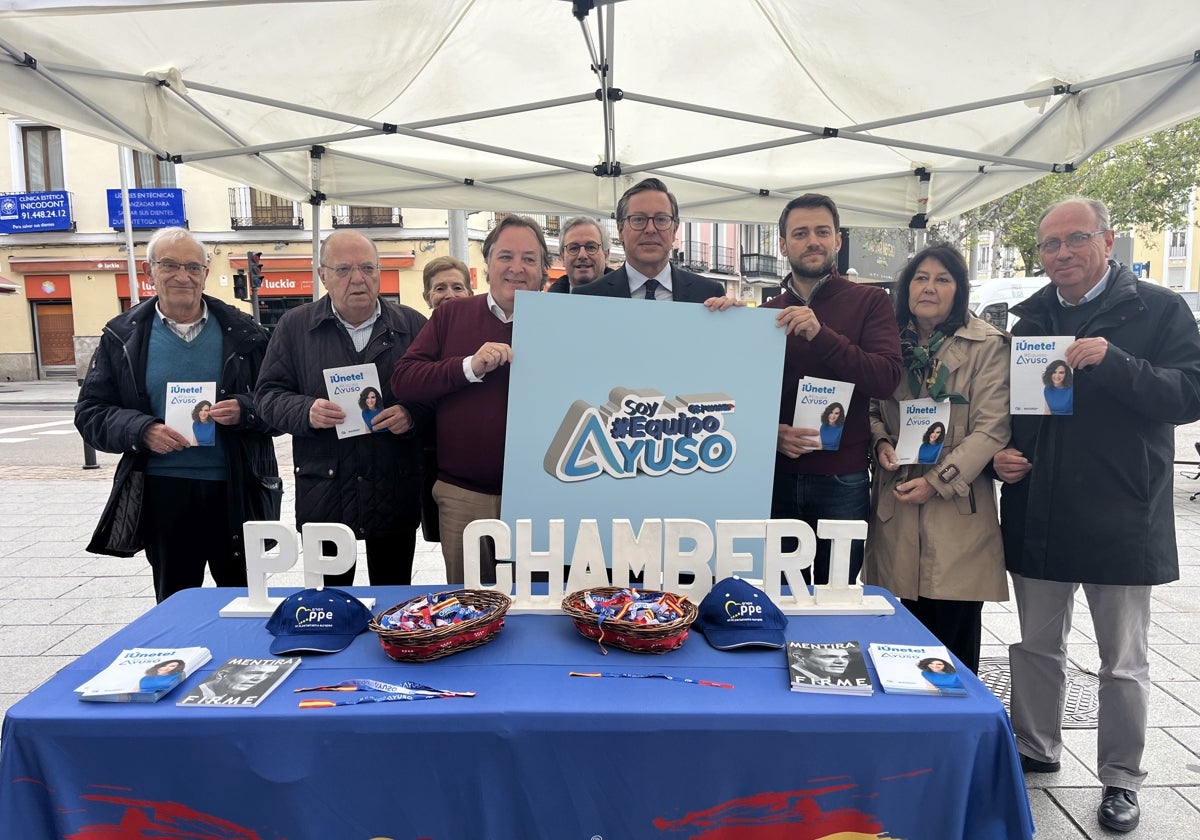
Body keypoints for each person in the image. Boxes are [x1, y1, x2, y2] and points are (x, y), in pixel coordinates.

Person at [994, 197, 1200, 833]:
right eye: (1050, 245)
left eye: (1075, 240)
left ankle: (1121, 778)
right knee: (1034, 648)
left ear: (1108, 241)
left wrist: (1117, 363)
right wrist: (1004, 454)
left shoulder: (1160, 309)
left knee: (1122, 660)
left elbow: (1189, 394)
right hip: (1041, 508)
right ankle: (1035, 746)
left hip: (1121, 511)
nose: (1061, 254)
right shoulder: (1028, 320)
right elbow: (1012, 408)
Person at [76, 227, 280, 603]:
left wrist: (246, 411)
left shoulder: (245, 332)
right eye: (169, 265)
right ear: (148, 270)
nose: (182, 276)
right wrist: (143, 429)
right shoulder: (122, 337)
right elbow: (90, 414)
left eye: (192, 267)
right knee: (175, 602)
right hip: (163, 490)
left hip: (236, 487)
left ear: (205, 271)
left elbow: (279, 404)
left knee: (246, 602)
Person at [255, 230, 429, 587]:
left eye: (367, 268)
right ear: (323, 275)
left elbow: (437, 397)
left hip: (393, 490)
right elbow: (267, 397)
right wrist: (305, 411)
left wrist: (412, 415)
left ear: (380, 272)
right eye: (344, 269)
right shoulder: (295, 327)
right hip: (326, 494)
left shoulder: (412, 325)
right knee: (329, 608)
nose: (358, 278)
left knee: (394, 602)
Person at [866, 244, 1010, 673]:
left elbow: (992, 428)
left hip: (957, 516)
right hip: (894, 513)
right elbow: (872, 409)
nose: (929, 287)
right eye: (920, 278)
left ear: (959, 290)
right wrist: (880, 444)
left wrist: (938, 480)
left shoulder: (987, 345)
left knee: (950, 663)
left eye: (942, 279)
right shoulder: (887, 342)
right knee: (893, 656)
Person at [392, 215, 548, 584]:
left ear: (543, 269)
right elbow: (404, 380)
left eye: (529, 258)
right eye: (506, 256)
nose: (517, 268)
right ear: (488, 265)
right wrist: (468, 366)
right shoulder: (451, 315)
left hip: (540, 496)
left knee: (535, 605)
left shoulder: (561, 320)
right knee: (468, 607)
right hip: (464, 496)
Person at [764, 194, 903, 585]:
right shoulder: (764, 314)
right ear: (783, 245)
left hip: (843, 479)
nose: (813, 241)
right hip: (776, 477)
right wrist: (769, 434)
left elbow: (886, 378)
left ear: (838, 241)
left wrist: (822, 335)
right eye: (801, 233)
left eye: (822, 232)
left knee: (836, 596)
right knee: (778, 592)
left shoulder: (871, 302)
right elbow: (743, 396)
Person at [571, 178, 725, 302]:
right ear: (620, 230)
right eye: (638, 219)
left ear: (674, 230)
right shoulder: (588, 298)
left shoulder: (709, 294)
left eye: (661, 219)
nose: (650, 229)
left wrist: (734, 320)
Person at [547, 216, 612, 293]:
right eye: (574, 248)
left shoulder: (627, 295)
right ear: (562, 257)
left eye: (591, 247)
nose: (582, 255)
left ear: (606, 254)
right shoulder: (547, 302)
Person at [198, 662, 282, 699]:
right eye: (254, 673)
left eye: (268, 674)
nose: (260, 679)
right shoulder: (197, 693)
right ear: (222, 674)